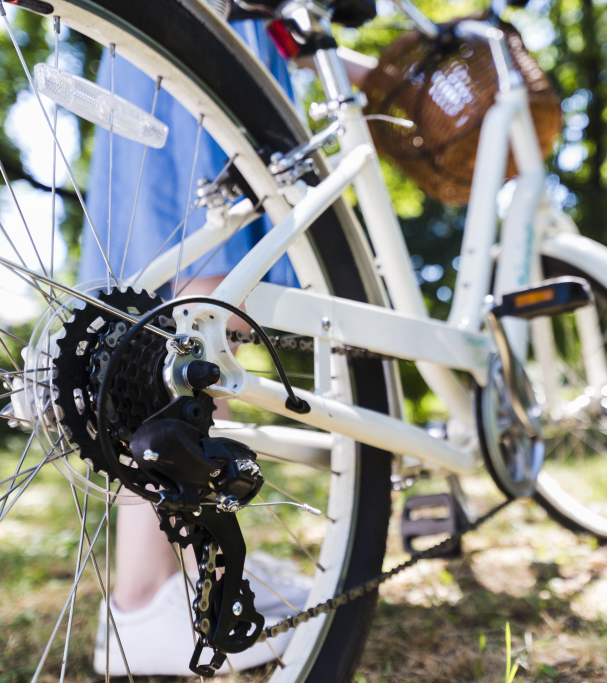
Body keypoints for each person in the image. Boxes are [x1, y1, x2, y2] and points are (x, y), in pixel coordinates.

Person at [80, 18, 373, 676]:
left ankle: (171, 581)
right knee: (197, 320)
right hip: (196, 59)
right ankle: (147, 596)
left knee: (177, 322)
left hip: (172, 51)